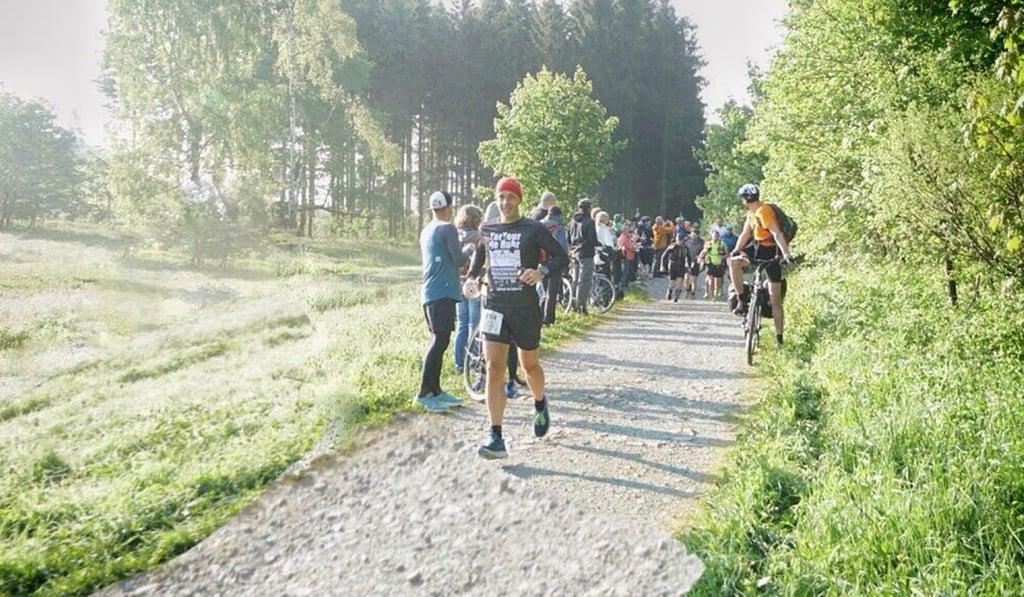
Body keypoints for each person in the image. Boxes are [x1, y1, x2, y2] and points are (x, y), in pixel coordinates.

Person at [464, 176, 569, 459]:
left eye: (511, 197)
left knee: (529, 366)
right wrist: (472, 278)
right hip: (495, 305)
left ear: (519, 200)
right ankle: (495, 436)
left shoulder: (533, 229)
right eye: (501, 197)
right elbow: (478, 260)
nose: (505, 202)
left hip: (524, 307)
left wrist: (541, 272)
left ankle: (539, 402)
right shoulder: (487, 228)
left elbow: (561, 257)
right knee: (494, 368)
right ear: (495, 200)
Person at [415, 191, 471, 412]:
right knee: (439, 341)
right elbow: (458, 259)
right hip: (443, 292)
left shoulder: (427, 230)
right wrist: (470, 248)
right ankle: (423, 393)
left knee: (439, 340)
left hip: (430, 292)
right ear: (449, 207)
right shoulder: (447, 228)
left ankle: (436, 390)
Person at [728, 183, 795, 347]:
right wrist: (736, 251)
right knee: (734, 263)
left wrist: (786, 254)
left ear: (744, 199)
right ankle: (743, 299)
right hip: (756, 248)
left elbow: (776, 233)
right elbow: (745, 234)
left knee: (775, 299)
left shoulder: (764, 211)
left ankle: (780, 338)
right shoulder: (752, 213)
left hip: (771, 251)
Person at [453, 204, 484, 376]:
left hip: (458, 282)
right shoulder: (479, 237)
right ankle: (472, 361)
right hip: (474, 284)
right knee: (475, 323)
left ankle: (458, 362)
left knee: (462, 324)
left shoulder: (455, 236)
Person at [567, 196, 599, 314]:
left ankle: (572, 303)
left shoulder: (572, 222)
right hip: (586, 253)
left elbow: (568, 239)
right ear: (589, 208)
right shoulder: (589, 222)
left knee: (575, 279)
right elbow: (592, 239)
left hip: (574, 253)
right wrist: (599, 244)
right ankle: (581, 306)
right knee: (584, 280)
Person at [539, 204, 568, 326]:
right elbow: (562, 247)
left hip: (541, 260)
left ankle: (540, 315)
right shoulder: (559, 227)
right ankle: (549, 319)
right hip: (555, 261)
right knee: (552, 291)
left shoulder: (539, 225)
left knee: (544, 290)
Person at [699, 229, 728, 300]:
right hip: (710, 263)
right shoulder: (708, 244)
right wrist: (700, 258)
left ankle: (717, 292)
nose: (715, 237)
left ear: (718, 236)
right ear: (712, 236)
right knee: (710, 280)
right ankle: (711, 295)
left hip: (719, 264)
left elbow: (727, 254)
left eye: (716, 236)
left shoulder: (722, 244)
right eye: (714, 236)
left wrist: (723, 257)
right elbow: (703, 252)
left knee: (718, 280)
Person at [660, 231, 687, 301]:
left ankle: (677, 296)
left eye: (681, 240)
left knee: (679, 281)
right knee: (672, 281)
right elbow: (664, 256)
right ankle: (670, 291)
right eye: (679, 240)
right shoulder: (672, 246)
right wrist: (662, 265)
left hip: (681, 265)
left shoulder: (684, 248)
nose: (680, 242)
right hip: (673, 265)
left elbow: (689, 257)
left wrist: (689, 266)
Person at [616, 219, 637, 295]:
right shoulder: (624, 238)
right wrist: (635, 244)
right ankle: (624, 286)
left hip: (630, 256)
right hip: (627, 256)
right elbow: (630, 247)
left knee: (627, 271)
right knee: (625, 272)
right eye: (627, 229)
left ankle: (626, 284)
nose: (629, 230)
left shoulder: (626, 237)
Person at [682, 228, 704, 298]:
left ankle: (693, 293)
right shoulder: (686, 241)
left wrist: (700, 256)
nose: (693, 236)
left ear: (697, 235)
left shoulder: (701, 242)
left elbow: (704, 250)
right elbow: (682, 249)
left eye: (694, 235)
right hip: (687, 261)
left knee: (694, 279)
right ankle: (687, 290)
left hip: (696, 261)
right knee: (686, 278)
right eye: (692, 234)